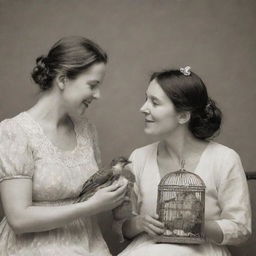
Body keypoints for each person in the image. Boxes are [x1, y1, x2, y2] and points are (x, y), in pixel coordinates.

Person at [0, 36, 128, 256]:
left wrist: (116, 192)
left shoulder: (86, 130)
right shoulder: (14, 132)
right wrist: (91, 207)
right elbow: (18, 219)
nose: (98, 95)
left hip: (89, 244)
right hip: (33, 249)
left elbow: (90, 193)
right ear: (62, 80)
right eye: (93, 85)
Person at [118, 66, 251, 256]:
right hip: (148, 249)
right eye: (146, 99)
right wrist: (139, 223)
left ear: (183, 116)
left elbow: (241, 229)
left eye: (154, 102)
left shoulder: (224, 159)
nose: (143, 108)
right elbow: (122, 228)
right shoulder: (138, 158)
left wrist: (195, 226)